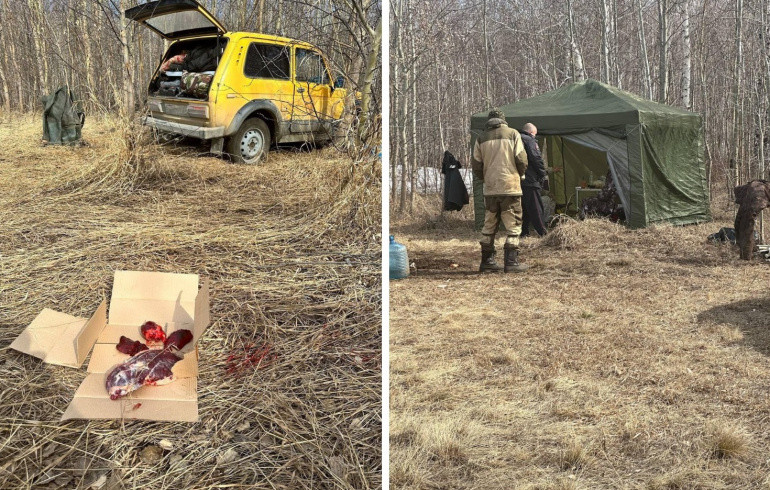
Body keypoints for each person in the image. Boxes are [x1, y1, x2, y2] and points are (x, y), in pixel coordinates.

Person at [471, 109, 530, 273]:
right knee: (513, 224)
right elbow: (521, 159)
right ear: (503, 120)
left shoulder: (481, 137)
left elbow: (476, 164)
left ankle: (487, 261)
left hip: (490, 188)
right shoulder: (513, 133)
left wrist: (486, 177)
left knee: (489, 223)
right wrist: (521, 174)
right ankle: (511, 262)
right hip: (510, 186)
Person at [520, 123, 549, 237]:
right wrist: (542, 174)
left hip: (516, 180)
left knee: (524, 208)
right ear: (532, 132)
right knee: (536, 207)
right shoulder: (530, 140)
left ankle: (524, 232)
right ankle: (543, 233)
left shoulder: (516, 139)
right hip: (530, 179)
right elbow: (536, 158)